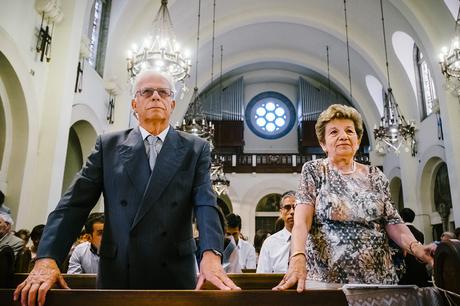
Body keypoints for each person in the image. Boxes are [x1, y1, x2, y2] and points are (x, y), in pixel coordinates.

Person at [14, 70, 239, 306]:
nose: (155, 97)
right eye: (146, 92)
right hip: (120, 270)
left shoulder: (195, 148)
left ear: (172, 104)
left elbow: (205, 203)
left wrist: (211, 254)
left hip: (173, 271)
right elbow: (73, 205)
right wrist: (48, 258)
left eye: (163, 92)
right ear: (134, 103)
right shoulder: (108, 145)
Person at [274, 104, 435, 292]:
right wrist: (297, 256)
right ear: (323, 143)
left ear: (357, 141)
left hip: (379, 280)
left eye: (349, 131)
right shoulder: (315, 170)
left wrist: (416, 248)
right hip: (328, 282)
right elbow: (302, 221)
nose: (343, 136)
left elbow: (392, 221)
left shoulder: (376, 176)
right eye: (334, 132)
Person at [257, 191, 295, 273]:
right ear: (281, 212)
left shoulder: (310, 241)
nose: (292, 212)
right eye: (287, 207)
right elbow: (262, 276)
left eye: (295, 207)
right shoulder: (270, 243)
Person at [397, 208, 430, 287]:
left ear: (401, 217)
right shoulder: (420, 233)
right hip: (419, 268)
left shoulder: (399, 232)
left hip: (406, 270)